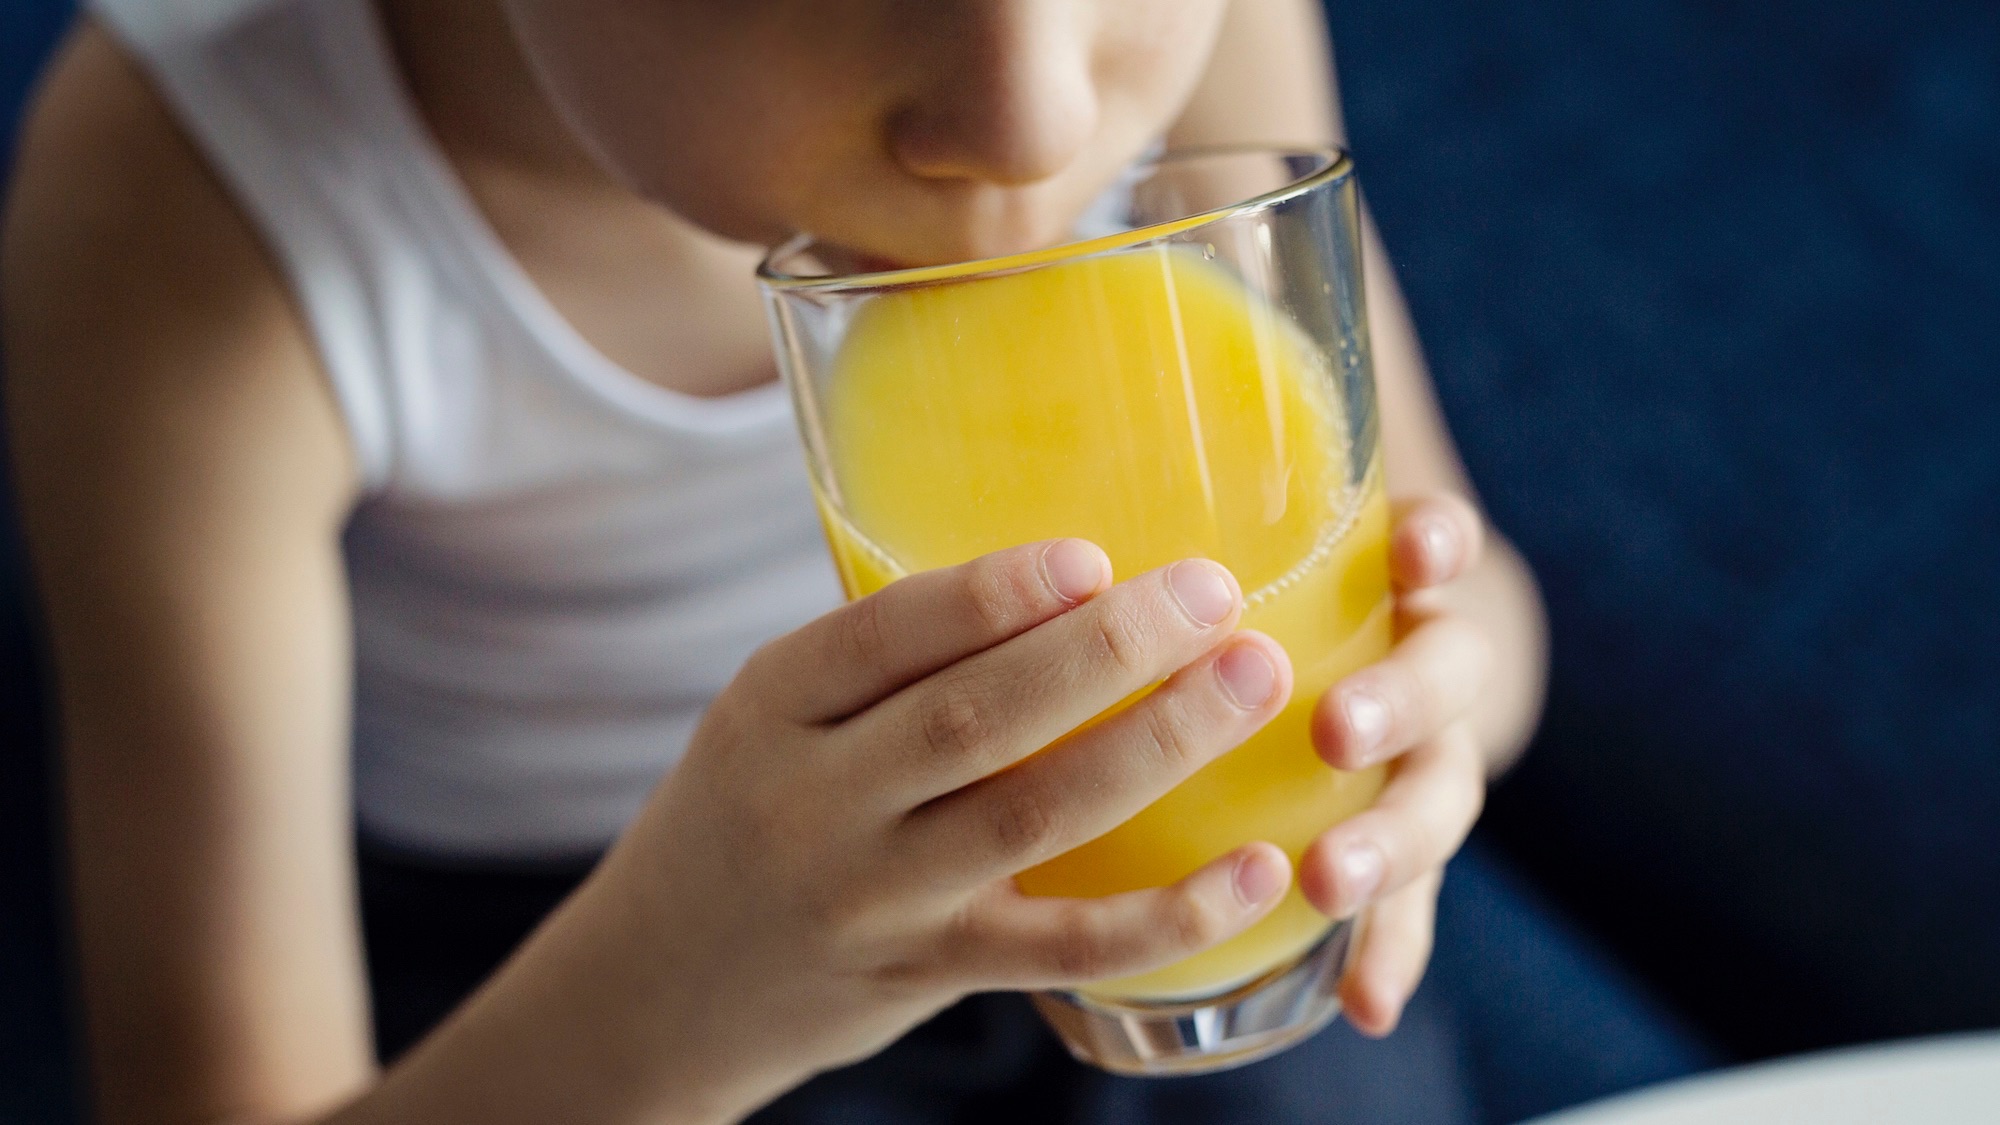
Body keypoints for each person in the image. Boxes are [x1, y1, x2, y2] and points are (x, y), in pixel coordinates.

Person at [1, 1, 1582, 1122]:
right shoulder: (197, 199)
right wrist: (685, 988)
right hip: (581, 977)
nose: (1033, 115)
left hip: (1185, 841)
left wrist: (1420, 708)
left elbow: (1473, 605)